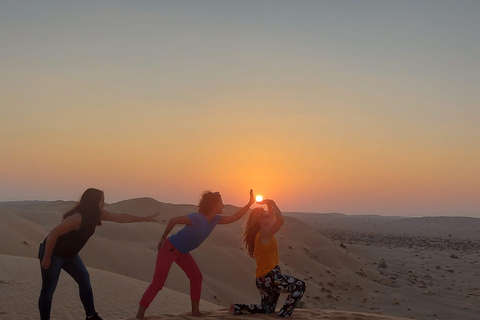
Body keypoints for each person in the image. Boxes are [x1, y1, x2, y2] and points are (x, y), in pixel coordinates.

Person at [38, 188, 159, 320]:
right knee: (48, 290)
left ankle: (91, 315)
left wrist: (142, 218)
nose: (104, 203)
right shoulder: (77, 217)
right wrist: (47, 257)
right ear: (94, 201)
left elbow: (119, 217)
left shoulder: (97, 214)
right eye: (103, 200)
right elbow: (54, 234)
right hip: (53, 253)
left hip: (70, 255)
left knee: (84, 279)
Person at [136, 189, 255, 319]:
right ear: (212, 205)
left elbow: (234, 217)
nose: (223, 205)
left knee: (196, 277)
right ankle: (139, 315)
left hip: (183, 253)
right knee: (158, 283)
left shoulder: (215, 219)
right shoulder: (197, 218)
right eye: (220, 202)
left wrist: (249, 204)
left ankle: (195, 311)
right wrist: (163, 237)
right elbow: (173, 220)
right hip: (169, 249)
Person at [230, 199, 306, 317]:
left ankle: (237, 308)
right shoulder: (265, 234)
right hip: (270, 277)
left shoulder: (260, 233)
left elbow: (272, 217)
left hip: (262, 279)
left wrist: (269, 205)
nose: (268, 217)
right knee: (300, 286)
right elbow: (280, 221)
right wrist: (274, 204)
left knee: (267, 309)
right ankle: (284, 315)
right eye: (265, 216)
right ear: (260, 221)